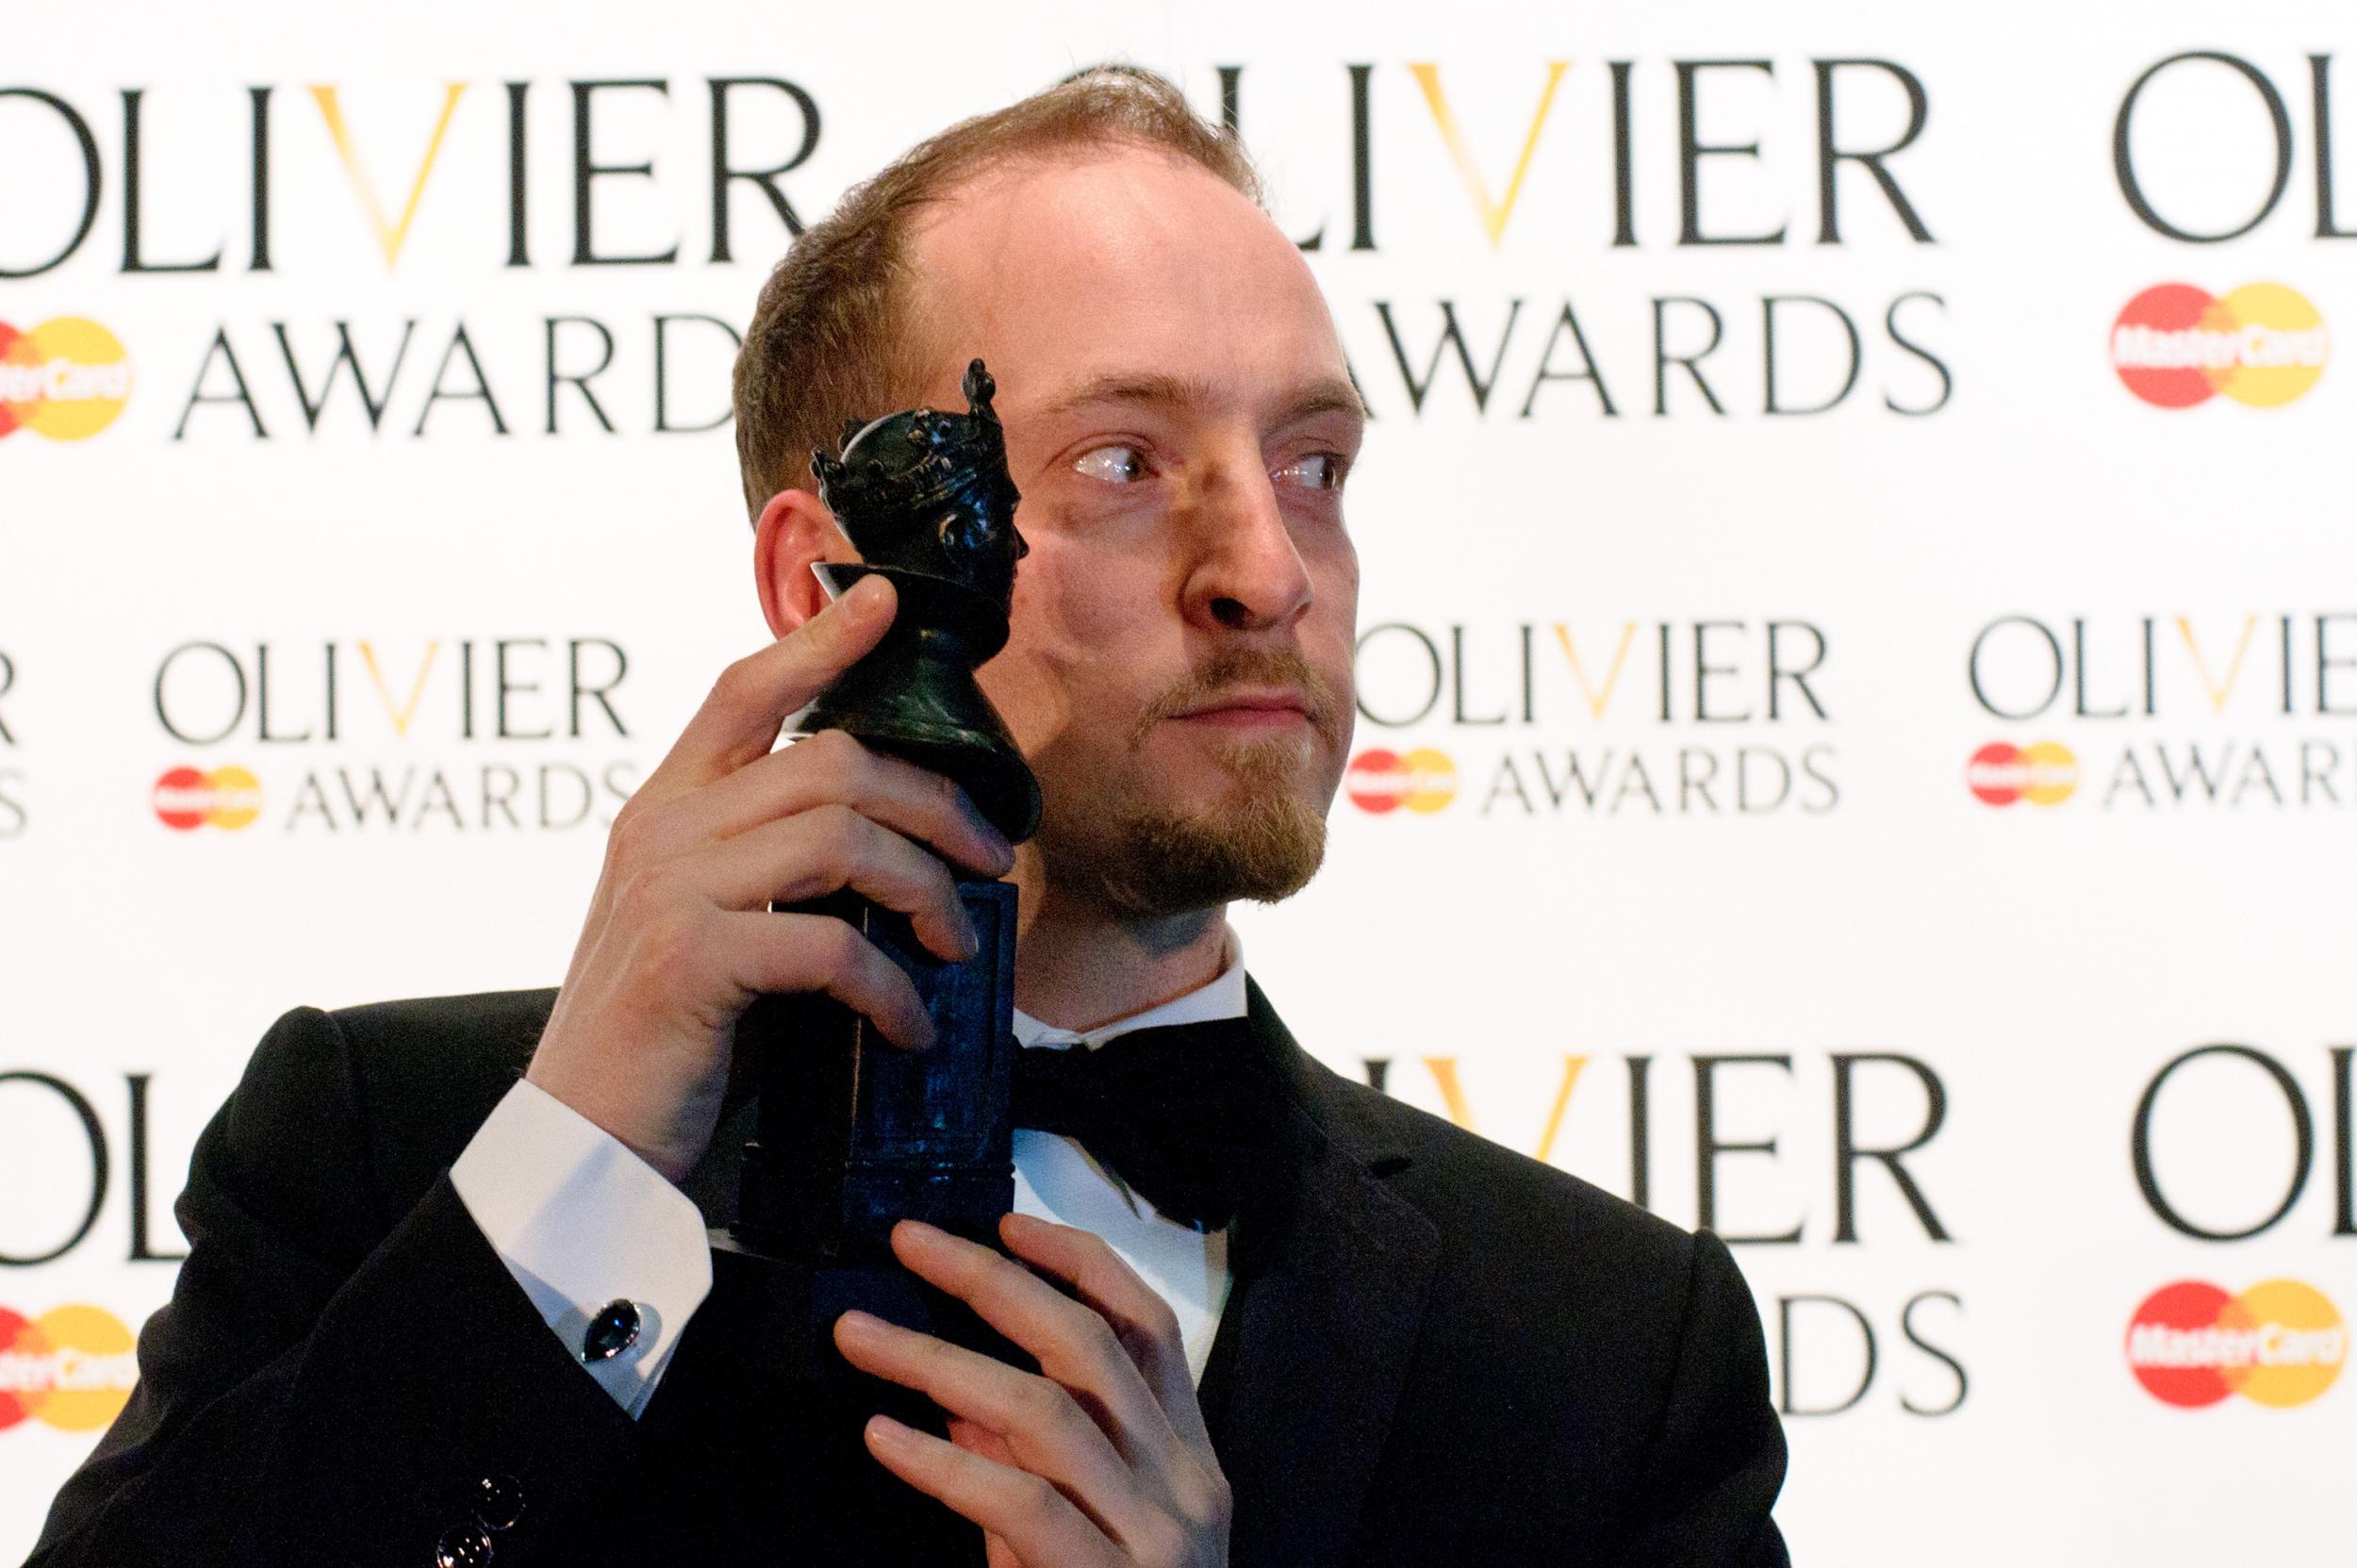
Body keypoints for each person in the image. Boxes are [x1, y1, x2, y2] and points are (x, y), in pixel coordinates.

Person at [30, 68, 1787, 1568]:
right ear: (830, 580)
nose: (1267, 569)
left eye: (1313, 465)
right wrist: (568, 1176)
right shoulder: (384, 1152)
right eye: (1124, 462)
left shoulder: (1609, 1353)